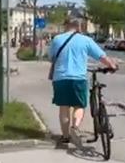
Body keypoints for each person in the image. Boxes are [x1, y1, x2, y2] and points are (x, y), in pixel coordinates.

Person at [48, 17, 118, 146]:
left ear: (66, 25)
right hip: (78, 78)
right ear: (79, 26)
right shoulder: (86, 40)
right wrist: (112, 66)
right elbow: (101, 57)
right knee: (79, 106)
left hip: (60, 78)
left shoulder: (57, 40)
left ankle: (65, 136)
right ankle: (74, 127)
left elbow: (51, 59)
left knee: (64, 107)